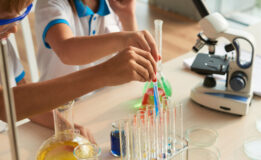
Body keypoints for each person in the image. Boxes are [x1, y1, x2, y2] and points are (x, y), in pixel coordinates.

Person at [0, 0, 158, 143]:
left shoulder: (4, 47)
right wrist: (105, 72)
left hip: (92, 105)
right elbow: (6, 106)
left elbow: (24, 102)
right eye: (7, 19)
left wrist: (65, 126)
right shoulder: (52, 4)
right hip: (64, 106)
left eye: (20, 17)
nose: (15, 28)